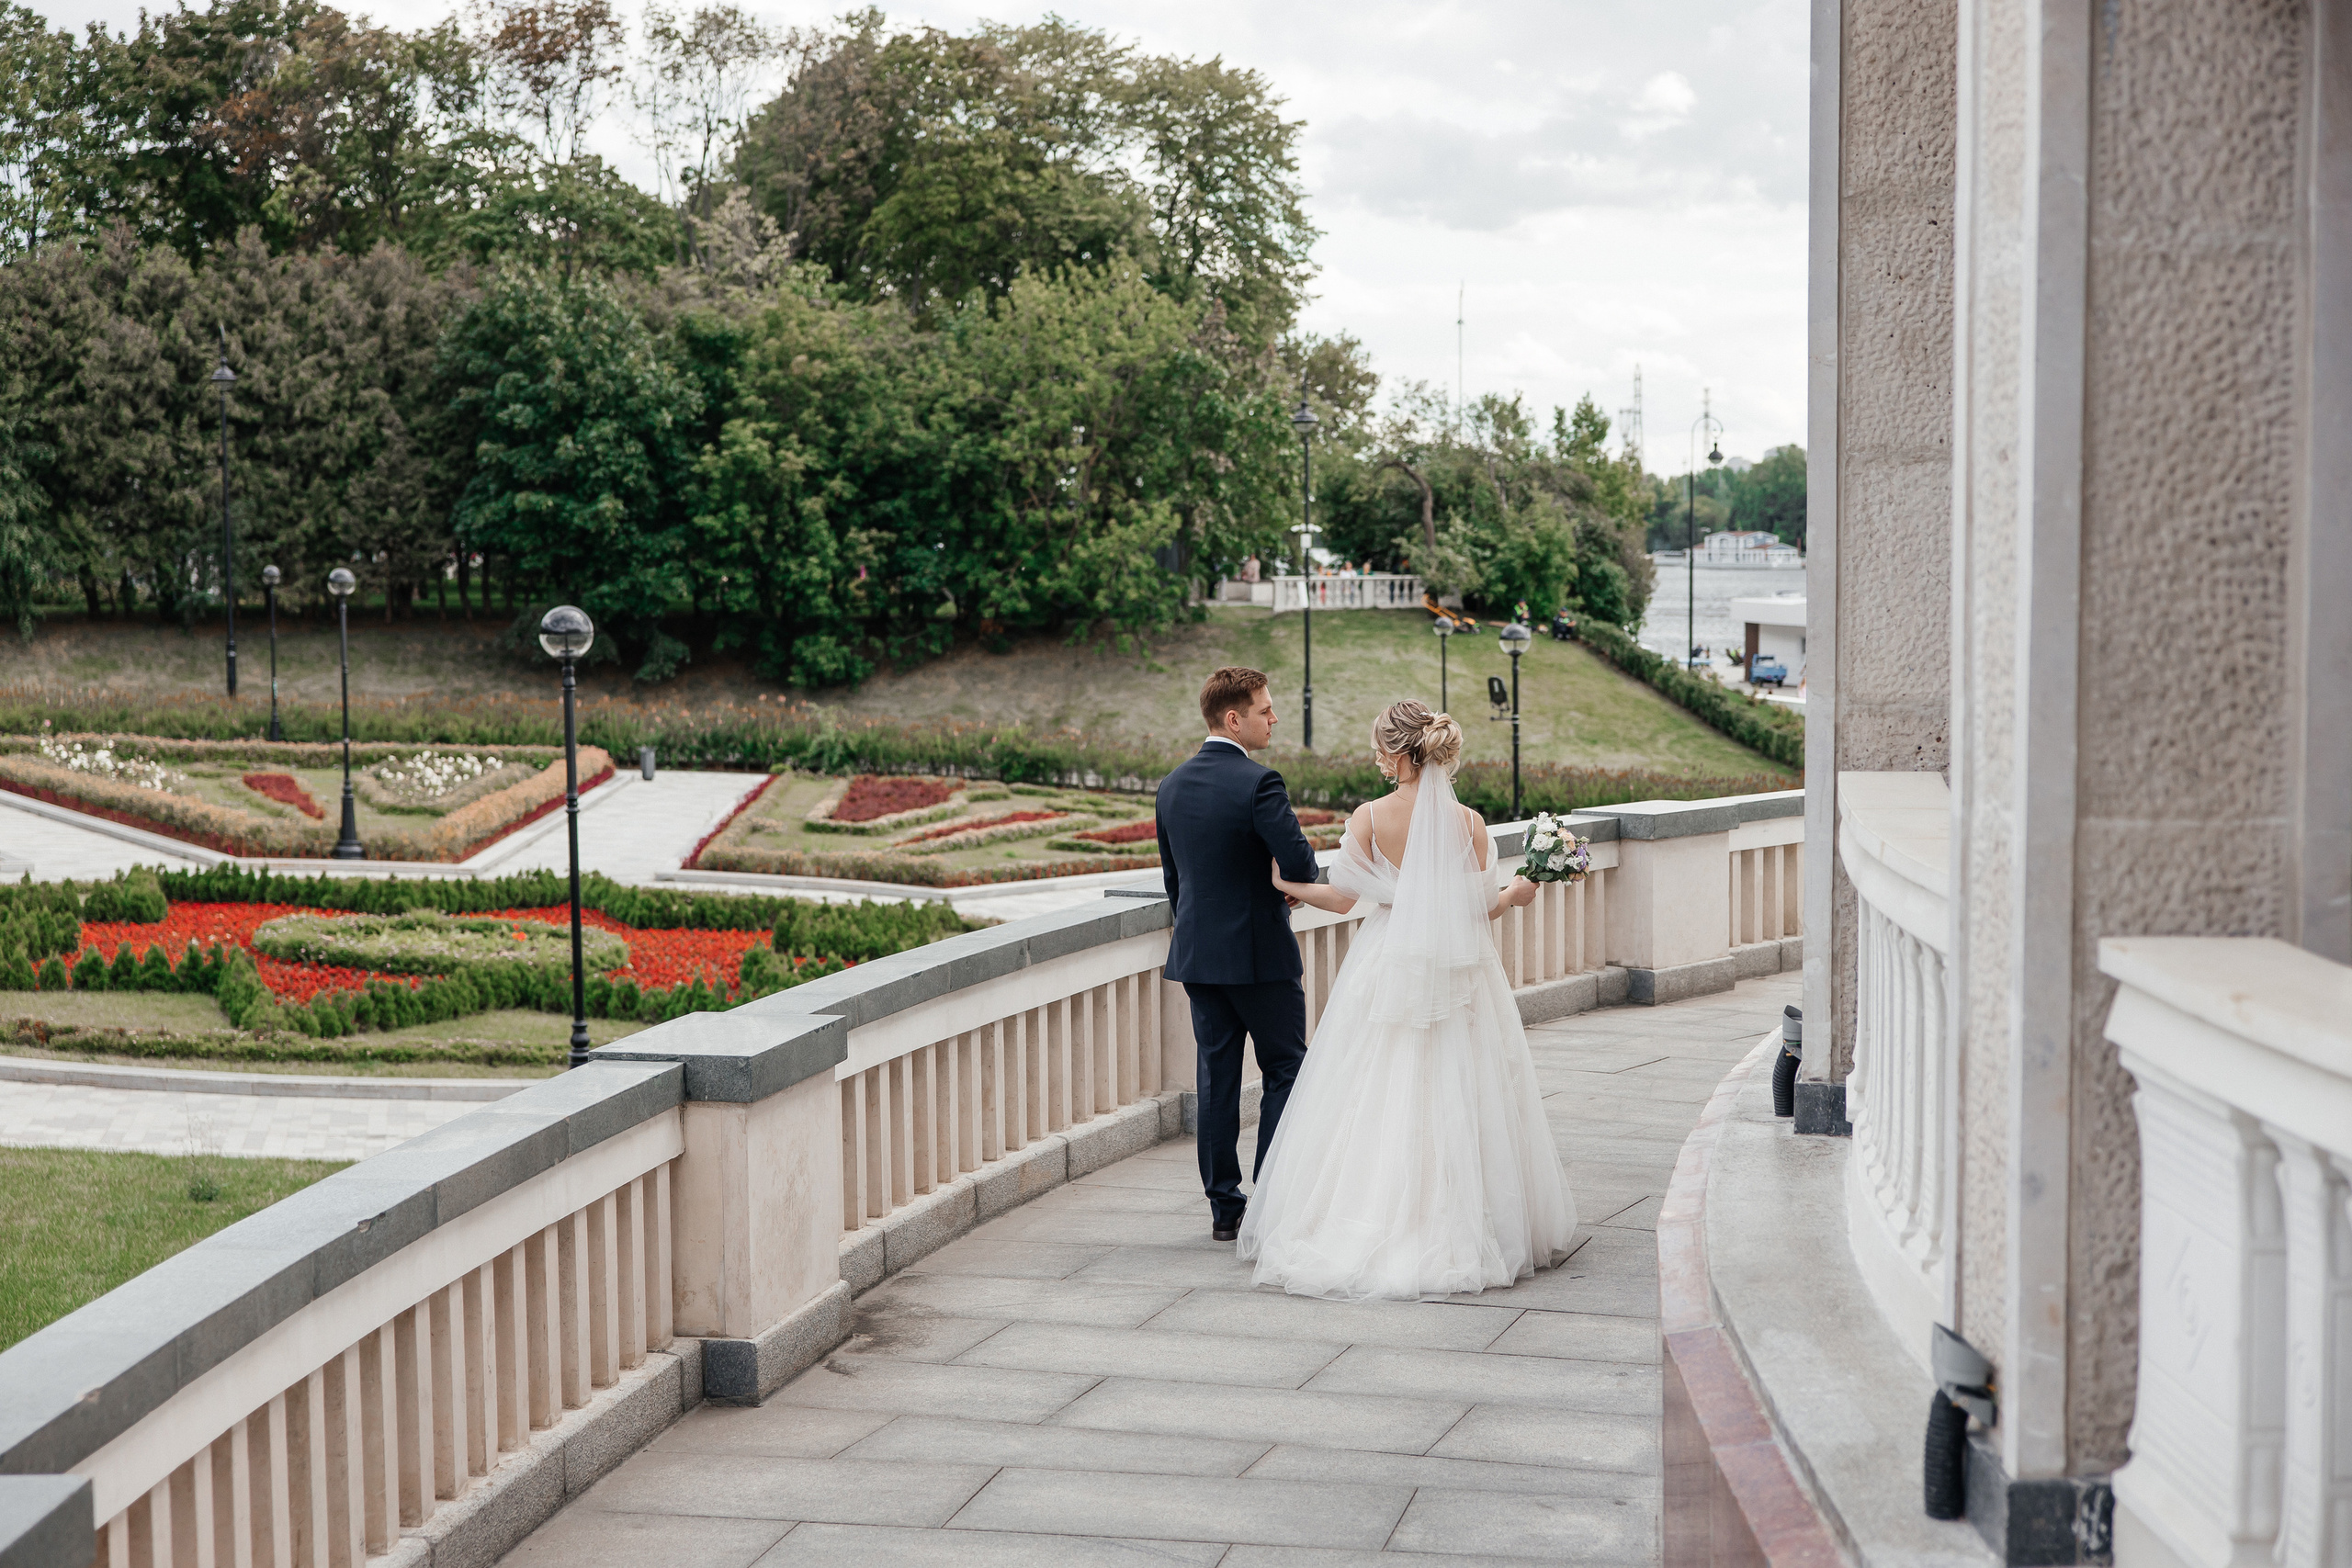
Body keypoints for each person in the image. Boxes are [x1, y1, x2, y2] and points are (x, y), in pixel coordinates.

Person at [1240, 700, 1577, 1300]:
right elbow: (1478, 908)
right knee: (1464, 1085)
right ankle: (1464, 1222)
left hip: (1387, 960)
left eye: (1378, 748)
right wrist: (1518, 893)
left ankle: (1371, 1214)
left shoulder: (1370, 817)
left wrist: (1285, 883)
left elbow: (1343, 898)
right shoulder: (1469, 822)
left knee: (1374, 1085)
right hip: (1458, 971)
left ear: (1396, 753)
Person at [1154, 668, 1322, 1242]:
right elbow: (1300, 867)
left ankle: (1225, 1208)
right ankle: (1271, 1195)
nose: (1273, 718)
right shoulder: (1260, 783)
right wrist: (1283, 886)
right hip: (1258, 955)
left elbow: (1175, 883)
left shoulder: (1170, 785)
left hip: (1199, 955)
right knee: (1286, 1069)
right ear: (1234, 718)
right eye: (1265, 710)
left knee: (1217, 1079)